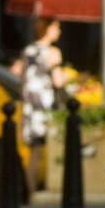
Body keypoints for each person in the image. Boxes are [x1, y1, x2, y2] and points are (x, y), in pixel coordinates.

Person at [16, 16, 63, 198]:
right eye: (57, 27)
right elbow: (58, 82)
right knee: (41, 151)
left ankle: (30, 191)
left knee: (33, 152)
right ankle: (33, 193)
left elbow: (19, 74)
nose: (59, 31)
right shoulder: (52, 53)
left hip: (29, 106)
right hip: (43, 106)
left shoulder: (28, 50)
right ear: (48, 29)